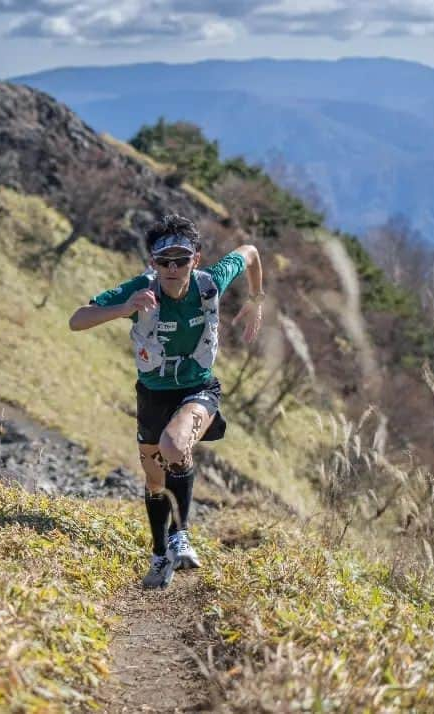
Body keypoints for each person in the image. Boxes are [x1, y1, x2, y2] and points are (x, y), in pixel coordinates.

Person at [68, 214, 264, 589]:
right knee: (155, 480)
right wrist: (124, 308)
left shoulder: (211, 283)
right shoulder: (141, 288)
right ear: (152, 263)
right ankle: (160, 556)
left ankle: (181, 535)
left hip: (199, 389)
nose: (173, 268)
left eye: (181, 259)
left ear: (197, 258)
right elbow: (77, 320)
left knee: (175, 445)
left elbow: (250, 253)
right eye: (164, 261)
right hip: (152, 395)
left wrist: (256, 299)